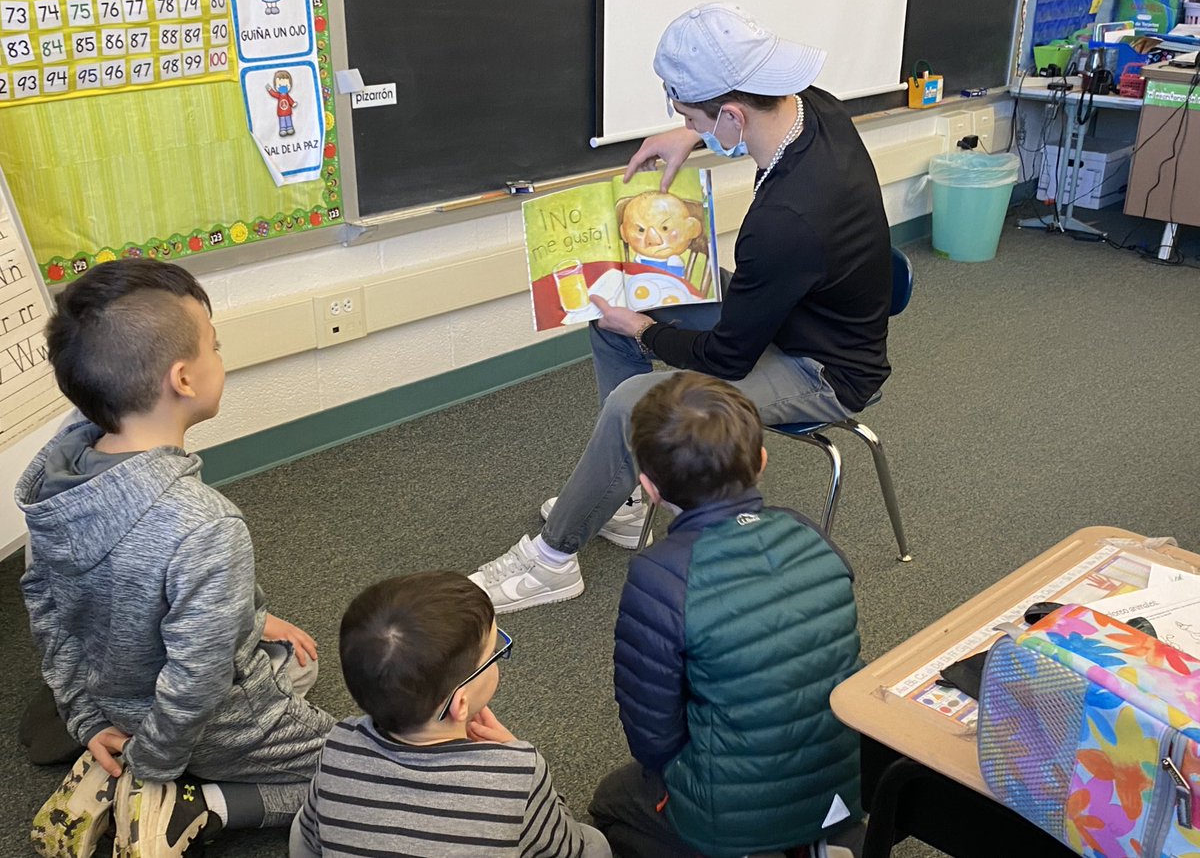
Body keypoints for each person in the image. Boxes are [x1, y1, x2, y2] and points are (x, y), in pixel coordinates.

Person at [470, 2, 892, 614]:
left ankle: (552, 561)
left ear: (732, 112)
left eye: (688, 113)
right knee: (616, 311)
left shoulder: (785, 220)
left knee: (632, 398)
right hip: (791, 309)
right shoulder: (811, 104)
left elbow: (728, 354)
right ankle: (629, 496)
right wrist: (691, 135)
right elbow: (733, 113)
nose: (682, 121)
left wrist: (645, 329)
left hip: (825, 368)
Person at [17, 259, 336, 858]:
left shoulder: (51, 490)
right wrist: (155, 763)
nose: (221, 357)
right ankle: (183, 801)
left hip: (112, 697)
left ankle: (109, 762)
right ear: (184, 379)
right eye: (215, 346)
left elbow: (50, 620)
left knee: (295, 660)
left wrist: (87, 721)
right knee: (369, 772)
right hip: (201, 724)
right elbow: (197, 682)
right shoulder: (206, 525)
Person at [588, 372, 863, 857]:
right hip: (846, 785)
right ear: (761, 461)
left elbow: (652, 735)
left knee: (611, 801)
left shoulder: (659, 576)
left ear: (649, 488)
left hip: (728, 818)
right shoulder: (810, 534)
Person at [290, 571, 611, 858]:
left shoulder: (338, 742)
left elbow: (308, 835)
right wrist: (514, 755)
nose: (500, 654)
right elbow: (563, 848)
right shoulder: (518, 773)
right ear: (460, 703)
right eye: (495, 652)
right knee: (593, 842)